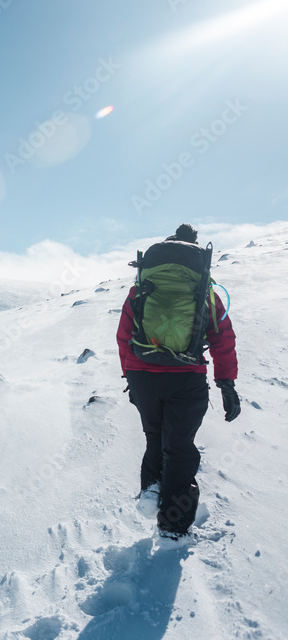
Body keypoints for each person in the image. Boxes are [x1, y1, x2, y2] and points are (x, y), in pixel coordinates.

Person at [116, 223, 240, 541]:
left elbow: (124, 337)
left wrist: (131, 376)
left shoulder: (141, 288)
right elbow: (222, 338)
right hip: (187, 377)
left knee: (154, 437)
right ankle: (173, 526)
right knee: (180, 447)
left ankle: (151, 489)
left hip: (144, 377)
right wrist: (226, 383)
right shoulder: (204, 293)